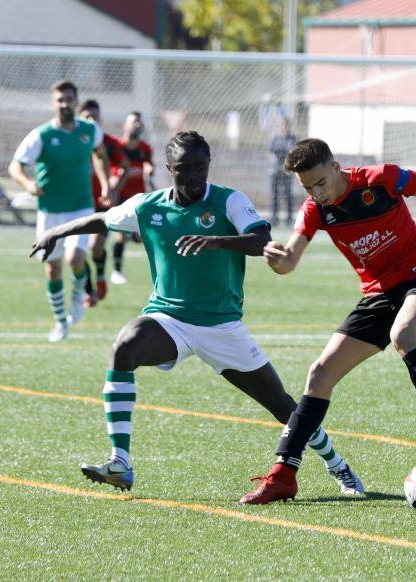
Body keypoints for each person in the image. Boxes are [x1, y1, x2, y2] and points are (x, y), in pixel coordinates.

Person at [29, 131, 365, 497]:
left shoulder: (229, 201)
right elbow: (104, 220)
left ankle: (338, 466)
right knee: (125, 345)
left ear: (208, 166)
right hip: (169, 320)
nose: (192, 177)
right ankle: (120, 462)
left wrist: (217, 241)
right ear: (168, 168)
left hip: (222, 327)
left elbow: (261, 241)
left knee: (282, 405)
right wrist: (57, 232)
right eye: (183, 169)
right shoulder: (148, 206)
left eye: (200, 168)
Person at [239, 138, 416, 505]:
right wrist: (278, 260)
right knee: (320, 372)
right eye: (308, 188)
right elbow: (291, 258)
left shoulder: (381, 179)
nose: (316, 193)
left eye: (321, 183)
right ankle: (283, 475)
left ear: (336, 167)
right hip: (377, 295)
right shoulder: (314, 209)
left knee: (404, 333)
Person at [8, 80, 111, 342]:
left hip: (81, 208)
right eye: (60, 100)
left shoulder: (90, 130)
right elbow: (16, 167)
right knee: (52, 269)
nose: (65, 104)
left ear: (76, 101)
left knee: (75, 259)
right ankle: (60, 322)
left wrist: (106, 183)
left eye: (69, 99)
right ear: (53, 103)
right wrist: (28, 183)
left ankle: (79, 292)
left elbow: (100, 155)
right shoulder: (40, 135)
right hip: (50, 211)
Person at [78, 99, 130, 305]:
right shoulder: (73, 141)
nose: (91, 120)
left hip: (100, 203)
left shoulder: (108, 143)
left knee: (94, 247)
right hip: (77, 203)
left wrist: (115, 190)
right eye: (87, 116)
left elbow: (125, 166)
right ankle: (89, 290)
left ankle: (99, 276)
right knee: (77, 252)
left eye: (95, 116)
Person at [111, 111, 155, 286]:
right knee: (120, 235)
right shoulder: (117, 146)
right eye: (133, 122)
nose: (136, 125)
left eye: (139, 122)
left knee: (140, 238)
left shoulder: (145, 148)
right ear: (124, 125)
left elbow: (149, 163)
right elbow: (112, 166)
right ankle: (117, 271)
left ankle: (132, 235)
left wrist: (149, 168)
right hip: (120, 196)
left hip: (139, 199)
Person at [268, 117, 297, 225]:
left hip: (287, 170)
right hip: (275, 170)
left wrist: (282, 151)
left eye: (286, 125)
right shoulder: (275, 138)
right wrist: (282, 151)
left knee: (287, 193)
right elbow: (272, 149)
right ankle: (274, 217)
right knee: (274, 194)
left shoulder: (292, 139)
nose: (284, 127)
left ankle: (289, 217)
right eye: (282, 125)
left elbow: (292, 151)